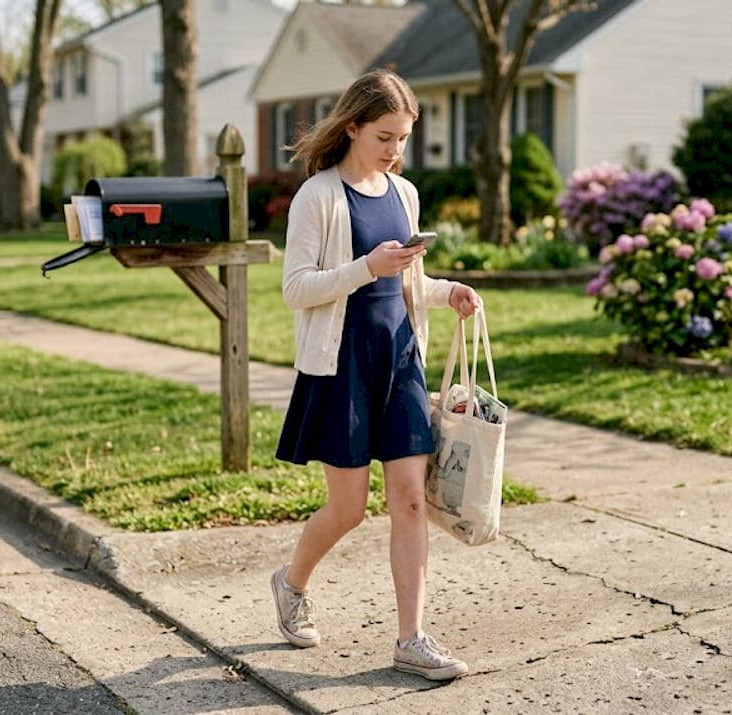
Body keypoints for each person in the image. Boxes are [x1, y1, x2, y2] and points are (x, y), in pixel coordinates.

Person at [271, 68, 482, 682]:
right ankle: (290, 583)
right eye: (385, 136)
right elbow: (294, 289)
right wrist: (365, 266)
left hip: (400, 359)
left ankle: (412, 639)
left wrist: (450, 293)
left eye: (403, 139)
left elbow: (408, 283)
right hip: (343, 365)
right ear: (354, 126)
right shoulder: (318, 197)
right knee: (348, 510)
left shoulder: (404, 193)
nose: (395, 150)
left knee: (412, 501)